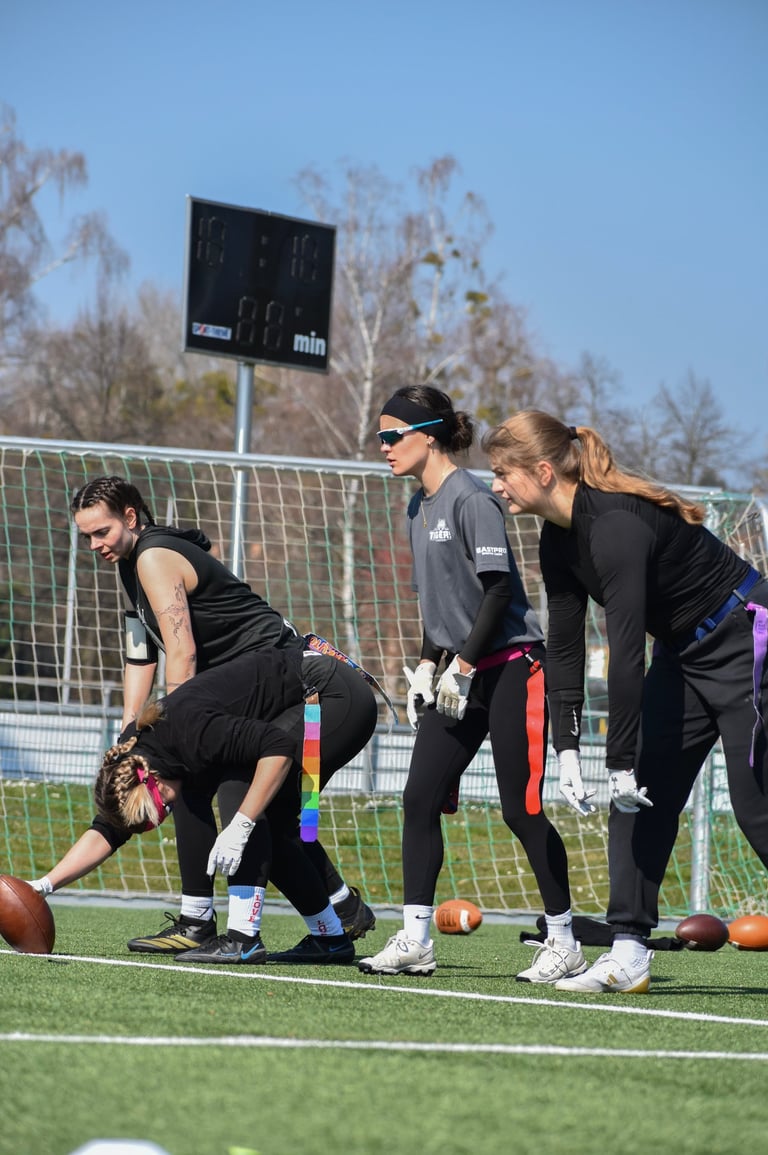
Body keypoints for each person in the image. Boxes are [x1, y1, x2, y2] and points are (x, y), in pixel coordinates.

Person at [483, 410, 768, 994]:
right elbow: (563, 650)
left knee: (756, 805)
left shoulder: (614, 526)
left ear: (541, 471)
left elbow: (625, 654)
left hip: (744, 637)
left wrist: (617, 759)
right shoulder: (556, 540)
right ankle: (629, 951)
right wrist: (566, 750)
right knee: (640, 803)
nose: (495, 485)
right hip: (682, 656)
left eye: (501, 473)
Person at [31, 476, 377, 953]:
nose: (94, 545)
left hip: (303, 692)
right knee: (219, 795)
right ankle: (224, 921)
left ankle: (253, 933)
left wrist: (175, 724)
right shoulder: (130, 567)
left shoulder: (153, 556)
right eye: (86, 536)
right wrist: (132, 726)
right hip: (246, 696)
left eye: (102, 532)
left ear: (130, 517)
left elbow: (182, 651)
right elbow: (140, 654)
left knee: (247, 801)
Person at [358, 386, 582, 981]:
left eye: (391, 436)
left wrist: (460, 665)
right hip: (459, 670)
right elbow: (441, 606)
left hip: (510, 665)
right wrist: (429, 664)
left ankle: (564, 940)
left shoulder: (473, 500)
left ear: (427, 435)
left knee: (521, 808)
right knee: (419, 798)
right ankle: (414, 939)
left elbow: (499, 591)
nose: (383, 448)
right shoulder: (416, 507)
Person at [33, 646, 377, 964]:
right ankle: (330, 937)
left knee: (245, 795)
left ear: (150, 778)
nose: (163, 817)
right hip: (300, 703)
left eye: (158, 809)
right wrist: (44, 887)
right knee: (243, 807)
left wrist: (241, 825)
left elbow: (277, 746)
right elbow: (108, 829)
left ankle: (244, 938)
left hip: (332, 695)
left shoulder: (191, 733)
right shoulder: (131, 754)